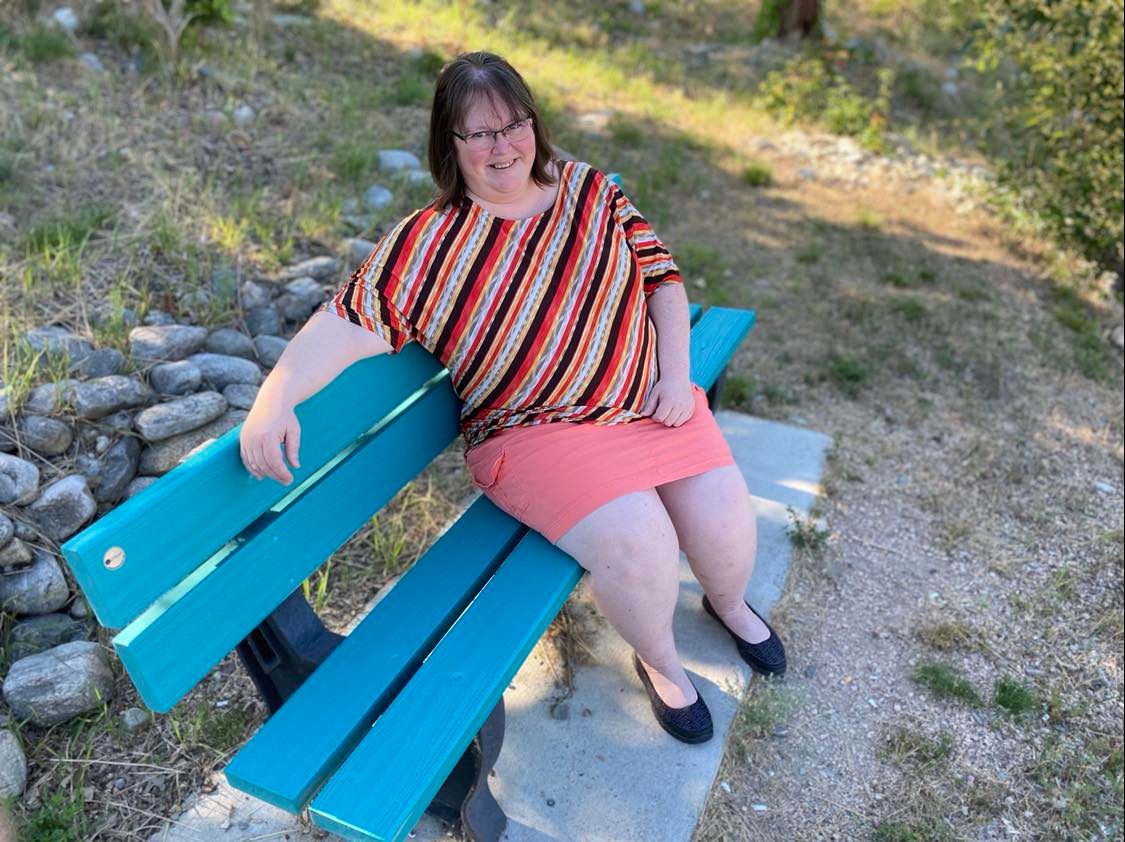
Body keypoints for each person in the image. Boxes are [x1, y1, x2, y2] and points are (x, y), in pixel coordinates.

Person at [239, 51, 785, 745]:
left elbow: (661, 280)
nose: (501, 146)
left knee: (724, 520)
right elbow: (349, 320)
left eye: (513, 125)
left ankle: (729, 604)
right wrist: (274, 397)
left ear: (534, 123)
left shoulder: (591, 191)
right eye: (479, 133)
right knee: (639, 543)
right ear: (451, 145)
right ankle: (662, 663)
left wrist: (675, 376)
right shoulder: (428, 243)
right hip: (536, 435)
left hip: (646, 404)